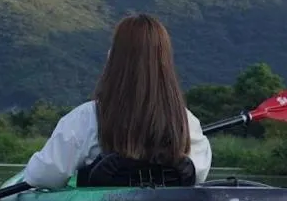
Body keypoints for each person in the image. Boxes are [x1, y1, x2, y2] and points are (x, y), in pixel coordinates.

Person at [22, 13, 212, 190]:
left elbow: (42, 176)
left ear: (114, 58)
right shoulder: (187, 122)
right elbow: (199, 175)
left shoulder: (86, 118)